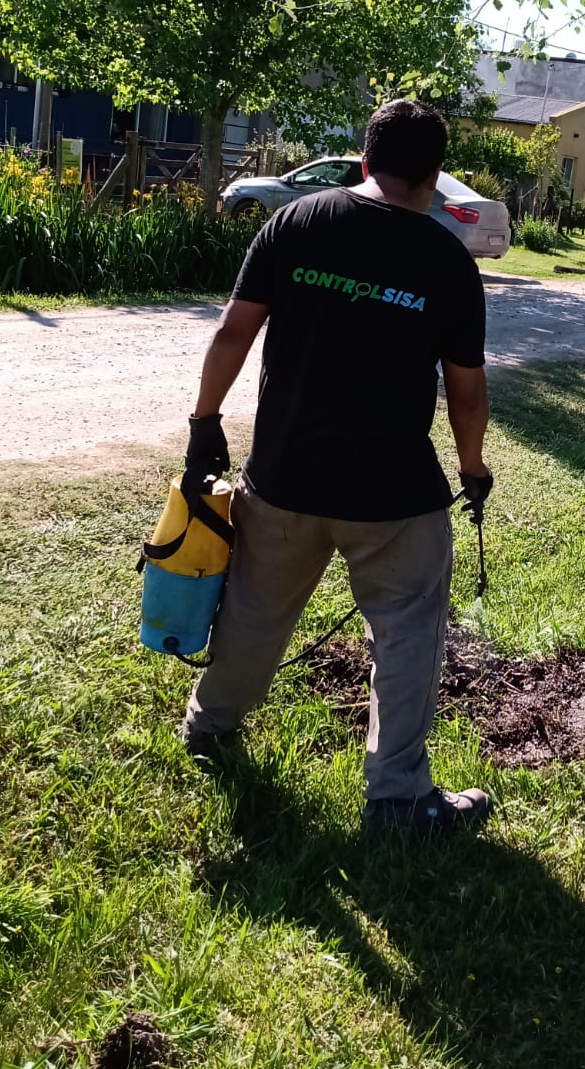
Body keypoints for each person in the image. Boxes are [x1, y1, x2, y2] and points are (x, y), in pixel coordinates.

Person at [180, 98, 494, 833]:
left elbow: (233, 332)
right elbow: (468, 391)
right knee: (409, 630)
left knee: (254, 615)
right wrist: (473, 468)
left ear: (363, 159)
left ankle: (208, 729)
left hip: (284, 476)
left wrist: (204, 424)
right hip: (392, 497)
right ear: (435, 175)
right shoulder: (448, 261)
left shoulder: (293, 223)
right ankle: (395, 798)